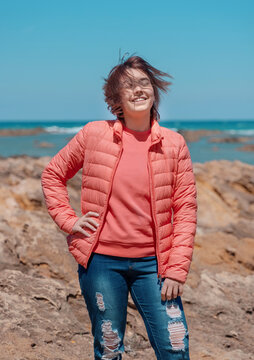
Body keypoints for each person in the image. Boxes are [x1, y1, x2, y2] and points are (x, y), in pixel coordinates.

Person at [41, 54, 197, 360]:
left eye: (144, 82)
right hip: (101, 263)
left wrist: (176, 270)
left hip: (155, 265)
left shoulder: (174, 143)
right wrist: (68, 219)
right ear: (116, 98)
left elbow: (186, 209)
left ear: (154, 91)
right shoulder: (94, 134)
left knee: (175, 347)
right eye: (128, 86)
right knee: (110, 348)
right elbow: (53, 174)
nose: (138, 90)